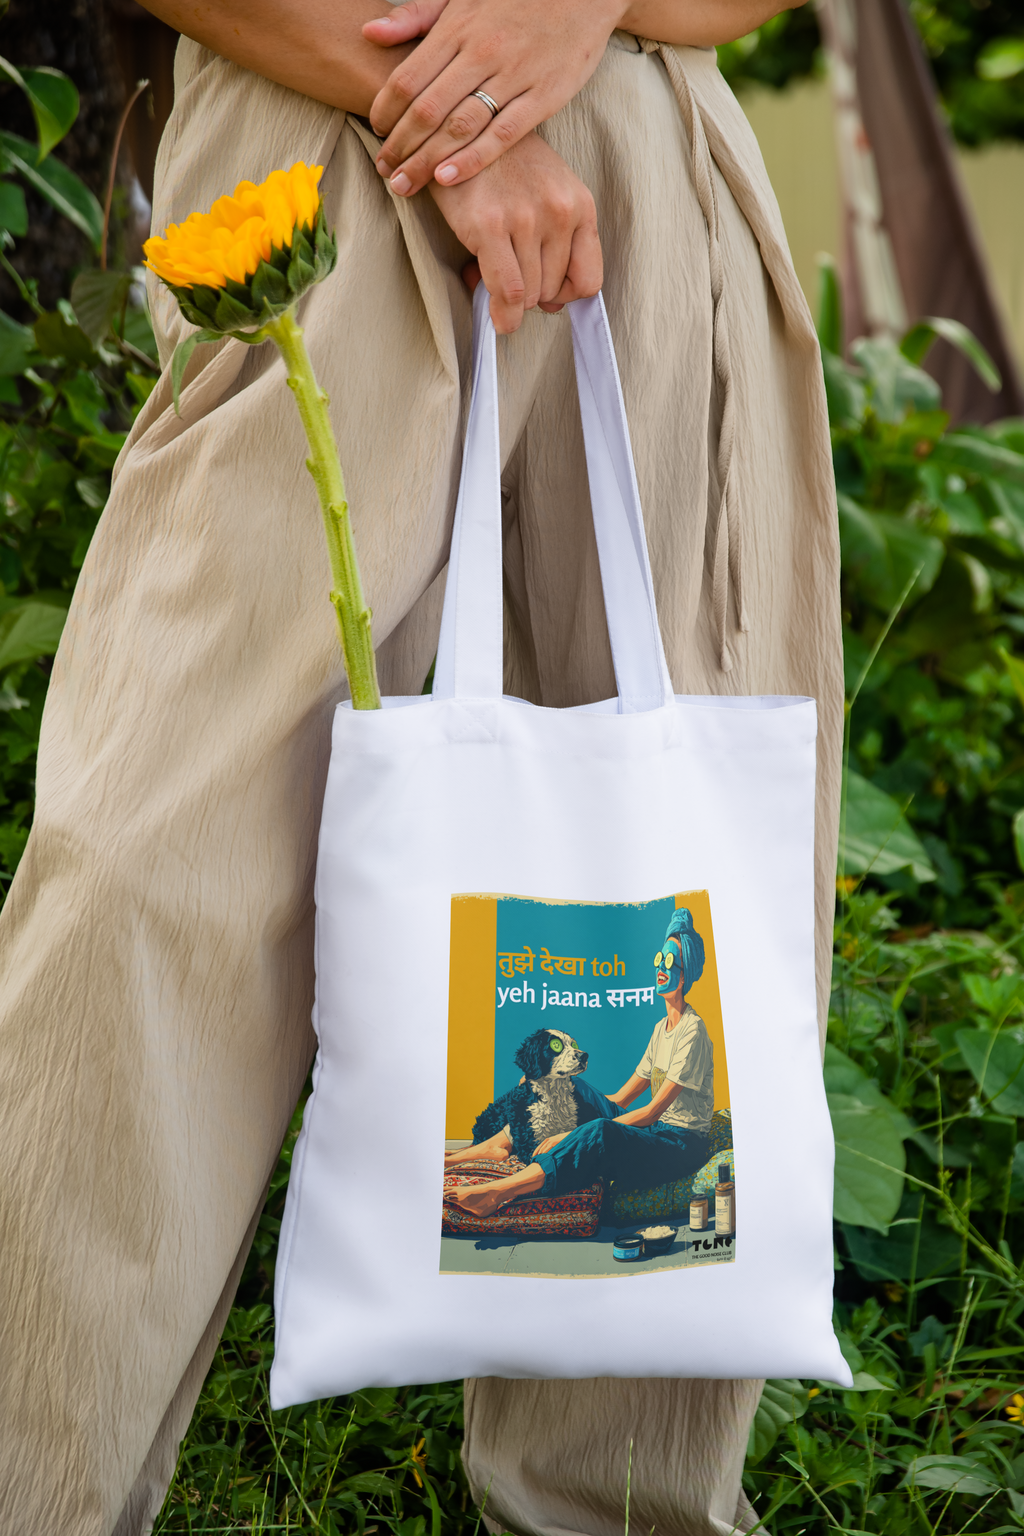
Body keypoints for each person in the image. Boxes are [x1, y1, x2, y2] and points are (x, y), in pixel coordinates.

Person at [0, 0, 844, 1531]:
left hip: (658, 190)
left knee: (655, 908)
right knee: (140, 875)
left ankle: (615, 1505)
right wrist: (465, 122)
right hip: (313, 164)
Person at [452, 909, 714, 1216]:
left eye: (669, 962)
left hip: (680, 1145)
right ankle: (496, 1146)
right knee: (567, 1083)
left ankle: (497, 1191)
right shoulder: (661, 1029)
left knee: (601, 1130)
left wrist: (571, 1135)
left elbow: (652, 1110)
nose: (660, 967)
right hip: (655, 1130)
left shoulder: (692, 1030)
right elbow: (620, 1098)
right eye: (659, 959)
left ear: (686, 973)